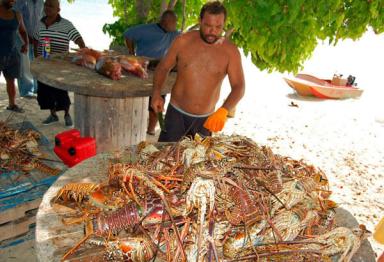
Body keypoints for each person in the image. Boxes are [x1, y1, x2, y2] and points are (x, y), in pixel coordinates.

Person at [151, 1, 245, 142]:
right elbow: (163, 67)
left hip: (206, 120)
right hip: (176, 114)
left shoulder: (231, 52)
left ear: (224, 24)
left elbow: (239, 86)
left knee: (197, 162)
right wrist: (156, 93)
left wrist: (224, 110)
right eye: (207, 25)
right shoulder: (183, 41)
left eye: (218, 27)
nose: (212, 31)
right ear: (200, 21)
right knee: (165, 159)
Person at [124, 10, 180, 135]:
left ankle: (151, 130)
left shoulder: (175, 34)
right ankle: (131, 129)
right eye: (174, 22)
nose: (176, 24)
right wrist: (131, 52)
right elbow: (128, 34)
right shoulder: (145, 30)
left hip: (162, 70)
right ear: (165, 22)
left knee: (159, 99)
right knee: (136, 99)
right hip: (142, 68)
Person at [33, 0, 85, 126]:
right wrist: (37, 58)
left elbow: (78, 38)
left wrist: (84, 52)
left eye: (51, 6)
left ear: (58, 10)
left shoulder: (66, 24)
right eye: (46, 4)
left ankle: (67, 114)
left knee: (61, 91)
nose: (47, 7)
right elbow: (35, 41)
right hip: (44, 63)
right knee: (45, 91)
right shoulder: (40, 23)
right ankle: (53, 115)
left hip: (60, 66)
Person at [0, 0, 28, 113]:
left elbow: (22, 31)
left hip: (12, 54)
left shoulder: (17, 14)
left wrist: (25, 44)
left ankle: (12, 104)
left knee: (11, 81)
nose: (13, 1)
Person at [14, 0, 43, 98]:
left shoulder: (40, 2)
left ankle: (36, 88)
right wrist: (27, 38)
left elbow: (42, 19)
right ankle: (26, 91)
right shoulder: (20, 1)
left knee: (36, 63)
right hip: (21, 37)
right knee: (24, 65)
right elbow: (16, 20)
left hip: (37, 38)